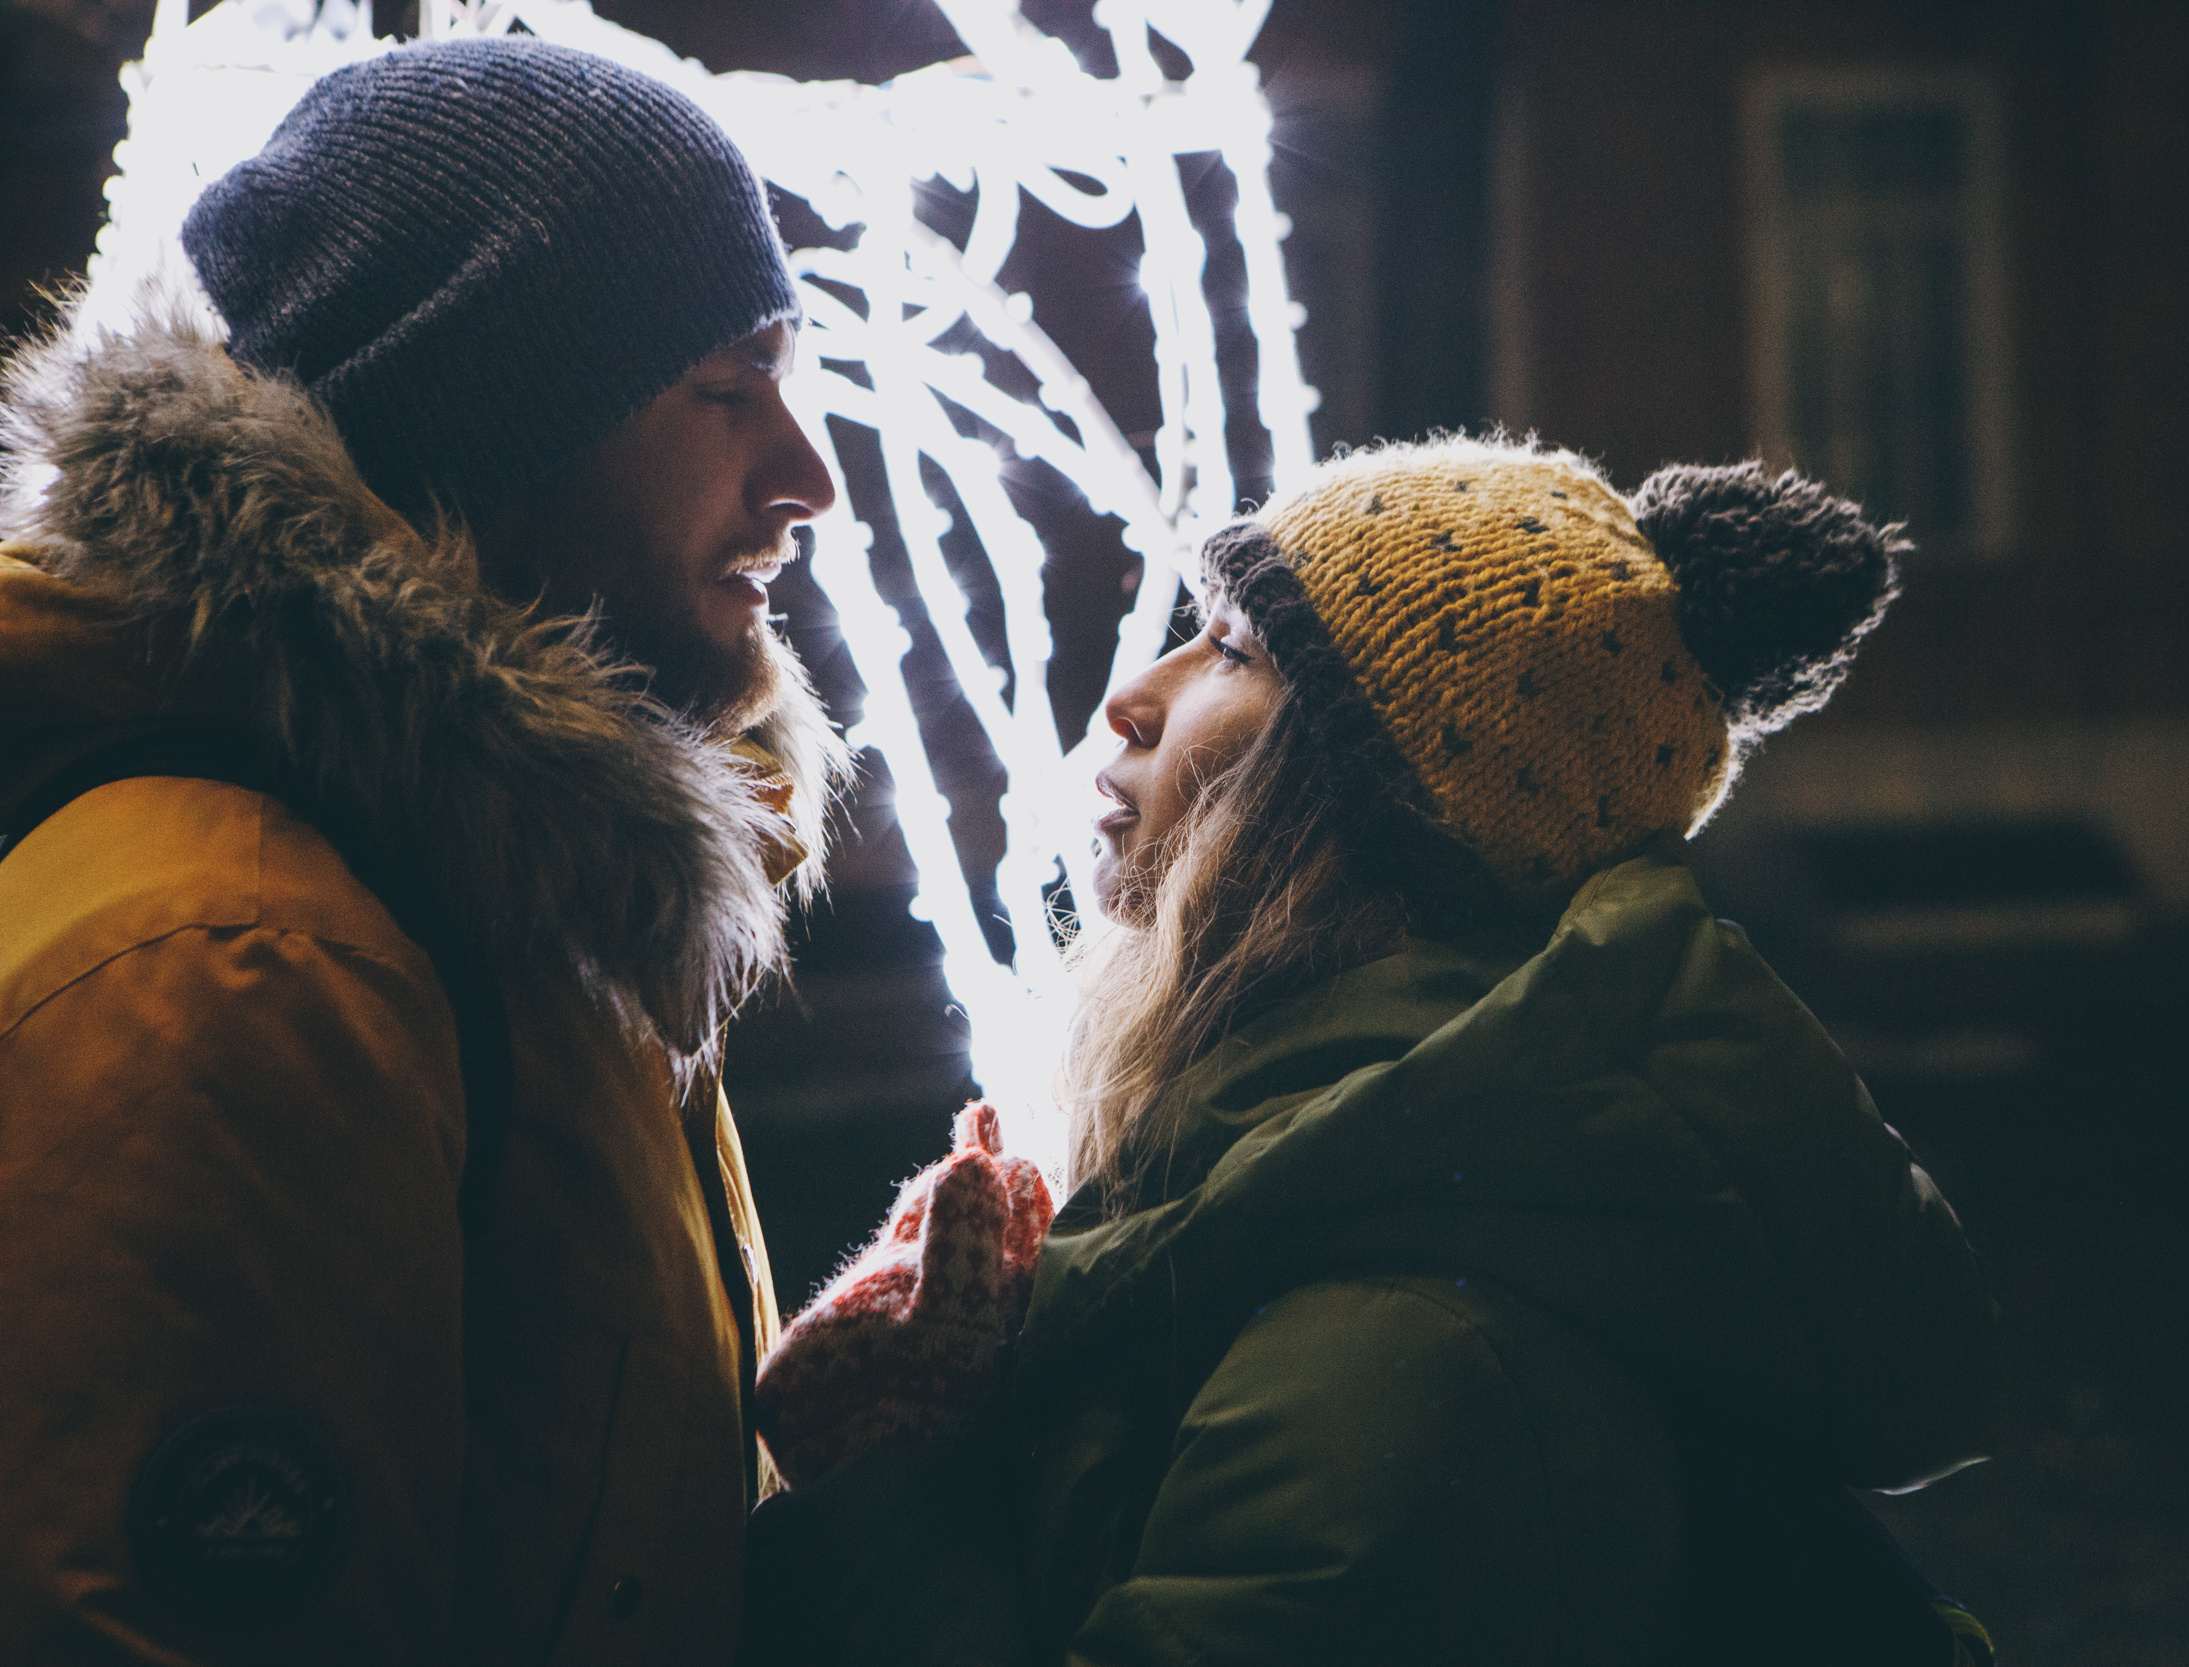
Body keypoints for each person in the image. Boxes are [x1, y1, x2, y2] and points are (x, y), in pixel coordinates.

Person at [746, 436, 2001, 1664]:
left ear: (1374, 805)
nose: (1134, 694)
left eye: (1233, 647)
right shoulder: (1319, 1191)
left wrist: (900, 1484)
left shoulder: (1396, 1358)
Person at [0, 37, 847, 1663]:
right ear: (496, 427)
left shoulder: (523, 891)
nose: (808, 473)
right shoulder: (244, 959)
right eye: (726, 391)